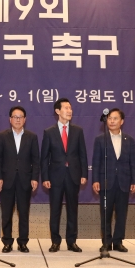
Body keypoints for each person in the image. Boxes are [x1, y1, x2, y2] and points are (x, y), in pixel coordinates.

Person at [41, 98, 88, 252]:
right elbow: (44, 157)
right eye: (66, 108)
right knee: (55, 210)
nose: (69, 111)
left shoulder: (78, 131)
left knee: (72, 210)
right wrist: (45, 177)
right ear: (57, 111)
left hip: (73, 175)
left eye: (70, 108)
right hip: (55, 177)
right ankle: (55, 241)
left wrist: (84, 173)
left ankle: (71, 241)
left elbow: (82, 154)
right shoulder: (49, 132)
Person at [0, 106, 40, 253]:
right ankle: (7, 241)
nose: (18, 119)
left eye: (20, 117)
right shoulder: (2, 136)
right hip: (6, 180)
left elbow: (36, 160)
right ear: (10, 119)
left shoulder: (32, 137)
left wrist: (34, 178)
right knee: (6, 212)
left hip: (25, 180)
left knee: (23, 212)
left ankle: (23, 242)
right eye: (15, 117)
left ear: (25, 119)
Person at [91, 108, 135, 252]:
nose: (111, 121)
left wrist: (134, 181)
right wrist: (95, 180)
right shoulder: (100, 139)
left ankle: (118, 242)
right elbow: (96, 162)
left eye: (115, 118)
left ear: (121, 121)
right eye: (110, 118)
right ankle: (106, 242)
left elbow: (133, 162)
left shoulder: (129, 140)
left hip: (124, 182)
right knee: (106, 214)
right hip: (106, 182)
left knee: (121, 214)